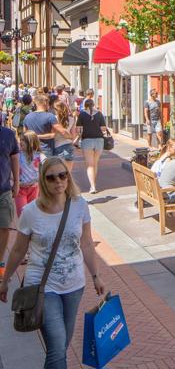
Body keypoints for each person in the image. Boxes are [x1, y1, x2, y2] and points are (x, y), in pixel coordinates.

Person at [0, 156, 106, 368]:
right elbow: (19, 249)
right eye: (51, 177)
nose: (58, 181)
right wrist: (5, 280)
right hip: (42, 286)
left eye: (62, 175)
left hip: (74, 285)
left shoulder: (79, 205)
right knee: (58, 348)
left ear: (68, 177)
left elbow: (86, 243)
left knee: (61, 347)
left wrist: (96, 276)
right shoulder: (31, 212)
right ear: (43, 181)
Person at [0, 122, 19, 280]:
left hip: (3, 190)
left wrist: (17, 183)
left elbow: (14, 158)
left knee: (4, 227)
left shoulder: (8, 134)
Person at [76, 98, 107, 194]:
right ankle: (94, 184)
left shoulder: (82, 114)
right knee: (95, 163)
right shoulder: (99, 114)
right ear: (93, 105)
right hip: (99, 140)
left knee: (90, 165)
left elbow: (78, 129)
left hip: (87, 140)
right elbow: (103, 129)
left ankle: (93, 186)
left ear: (85, 105)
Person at [16, 131, 46, 216]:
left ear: (31, 142)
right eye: (20, 139)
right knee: (22, 213)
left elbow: (47, 163)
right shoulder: (18, 155)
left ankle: (30, 229)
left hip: (34, 188)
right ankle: (23, 229)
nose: (20, 142)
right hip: (20, 189)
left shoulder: (38, 155)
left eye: (23, 140)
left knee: (32, 212)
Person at [52, 100, 76, 171]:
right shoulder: (71, 119)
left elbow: (52, 134)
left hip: (57, 145)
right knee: (68, 172)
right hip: (68, 145)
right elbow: (73, 135)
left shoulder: (53, 119)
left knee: (59, 172)